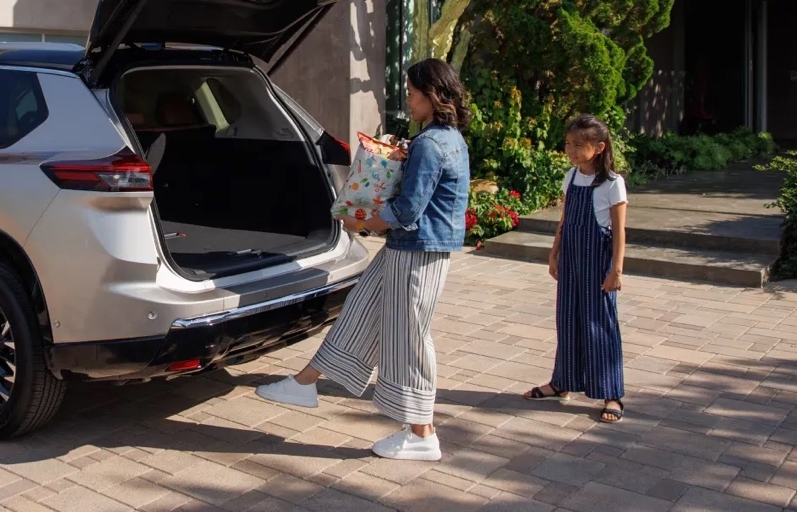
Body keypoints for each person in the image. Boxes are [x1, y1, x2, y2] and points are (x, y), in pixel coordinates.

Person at [253, 58, 471, 461]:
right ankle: (305, 382)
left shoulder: (430, 143)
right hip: (414, 248)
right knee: (360, 309)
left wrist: (363, 222)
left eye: (412, 93)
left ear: (432, 94)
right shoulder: (448, 137)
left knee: (407, 337)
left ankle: (422, 433)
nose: (408, 100)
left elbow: (407, 210)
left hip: (417, 250)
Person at [523, 113, 628, 423]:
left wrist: (616, 270)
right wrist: (554, 253)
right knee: (567, 318)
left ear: (599, 147)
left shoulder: (613, 183)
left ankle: (611, 393)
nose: (571, 150)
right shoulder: (571, 177)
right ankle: (562, 382)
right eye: (568, 143)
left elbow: (620, 231)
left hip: (598, 260)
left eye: (579, 145)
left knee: (600, 323)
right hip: (571, 256)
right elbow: (565, 218)